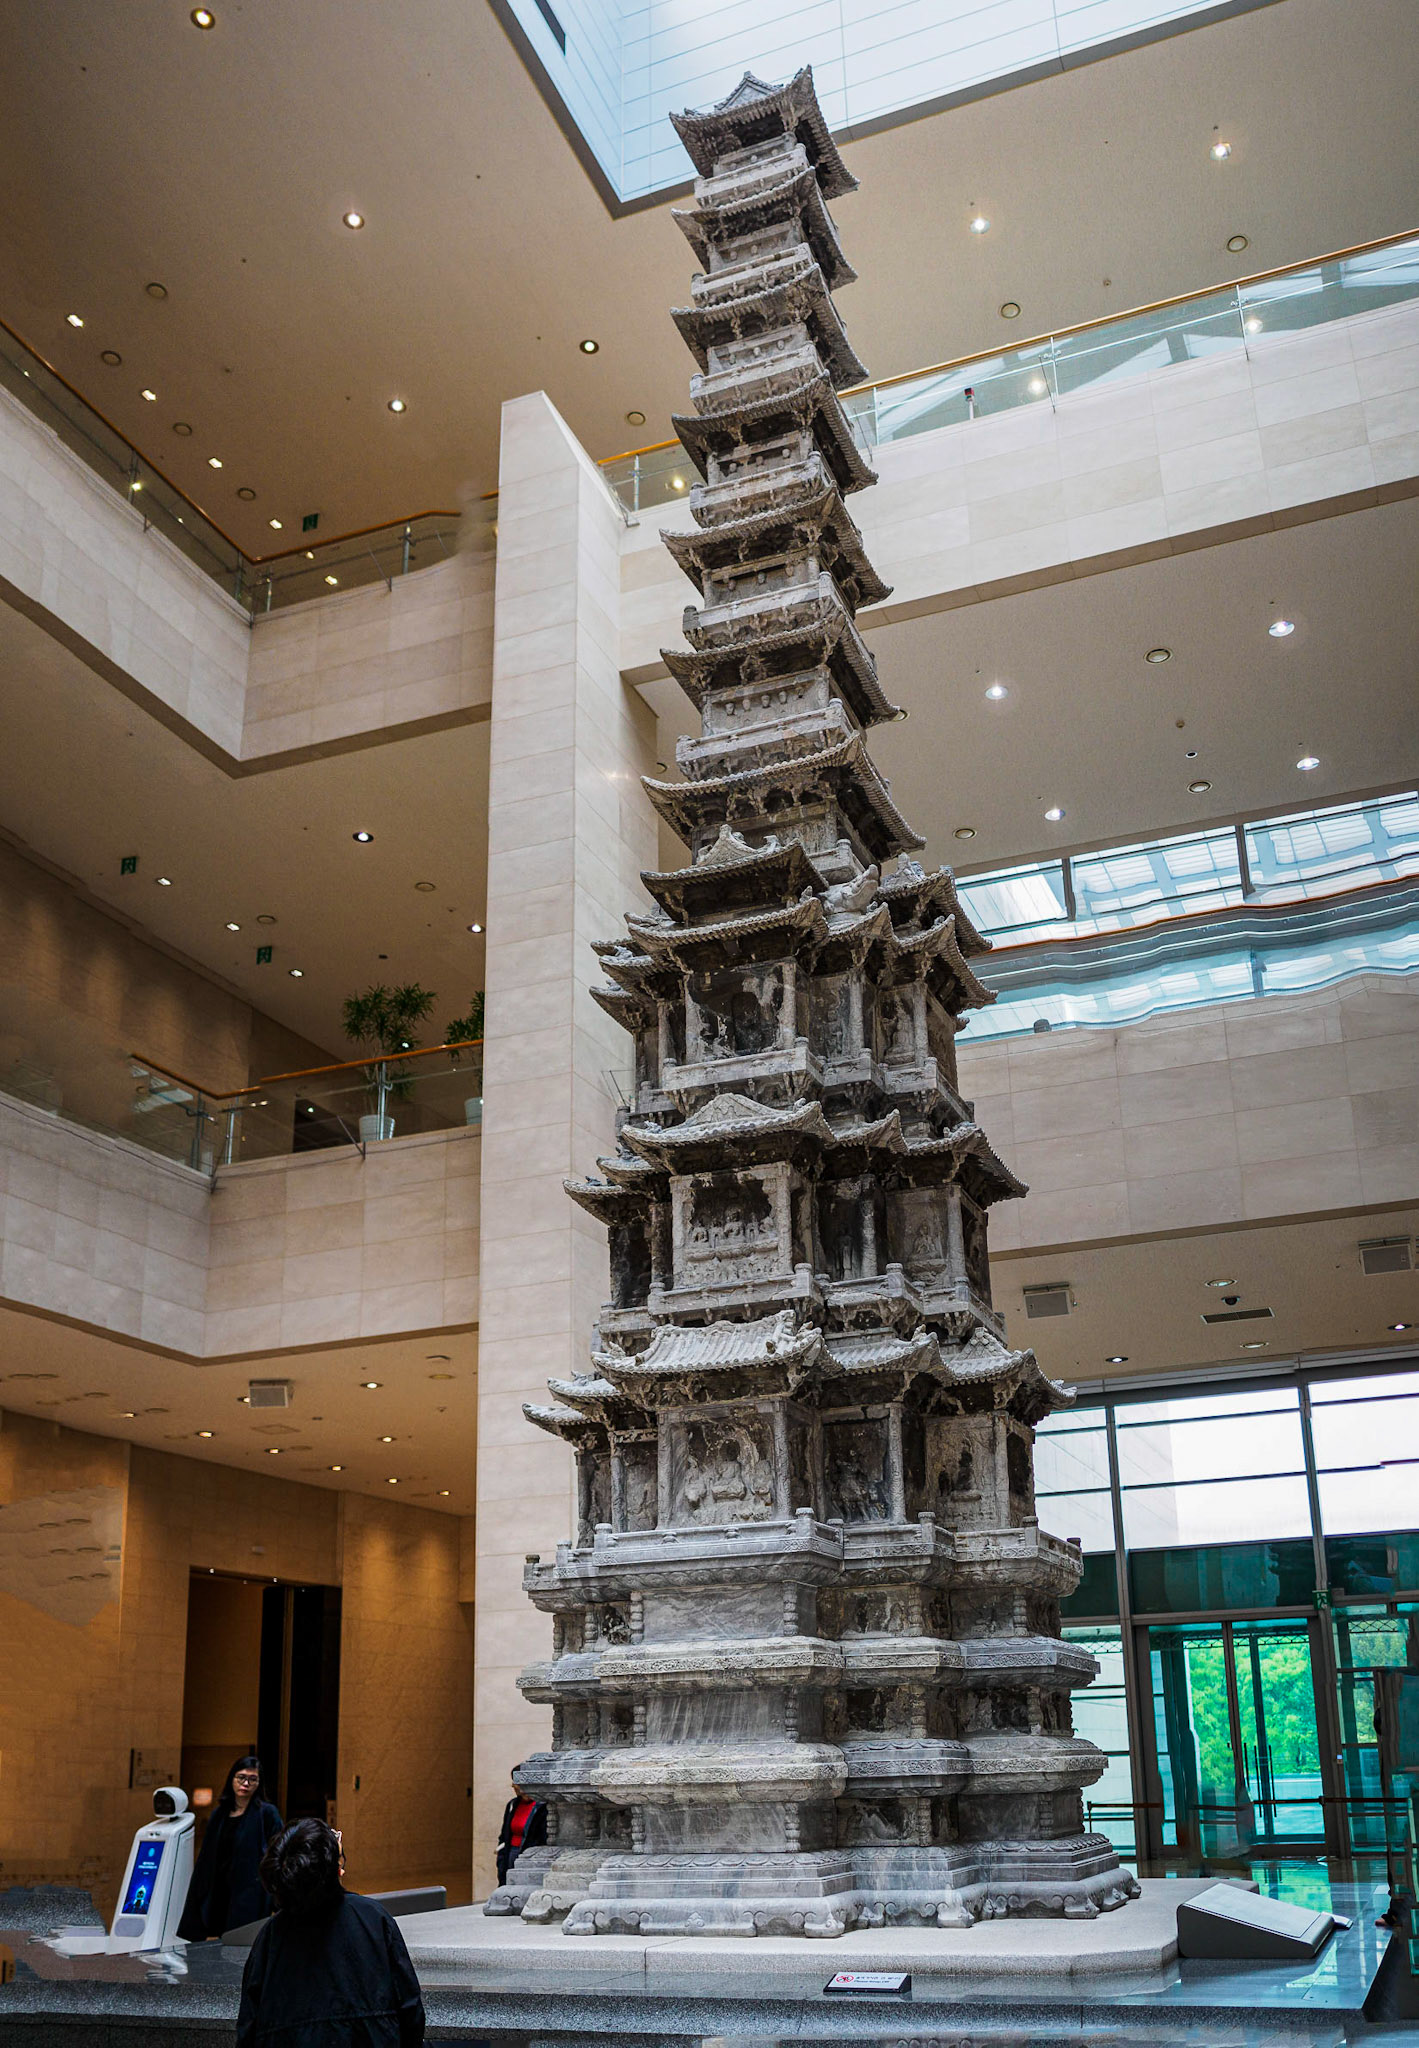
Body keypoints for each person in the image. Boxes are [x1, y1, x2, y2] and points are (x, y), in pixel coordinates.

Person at [236, 1819, 424, 2047]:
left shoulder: (270, 1937)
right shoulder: (373, 1918)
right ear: (336, 1870)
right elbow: (410, 2009)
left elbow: (248, 2027)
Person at [178, 1754, 282, 1940]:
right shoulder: (220, 1814)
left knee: (243, 1942)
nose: (246, 1783)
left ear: (259, 1783)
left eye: (252, 1779)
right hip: (218, 1890)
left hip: (249, 1893)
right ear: (232, 1779)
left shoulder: (266, 1813)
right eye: (241, 1777)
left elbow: (278, 1852)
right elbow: (206, 1857)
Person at [495, 1779, 546, 1887]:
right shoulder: (512, 1805)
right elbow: (505, 1833)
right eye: (515, 1786)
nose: (518, 1789)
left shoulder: (541, 1806)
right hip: (510, 1852)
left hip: (530, 1855)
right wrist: (501, 1856)